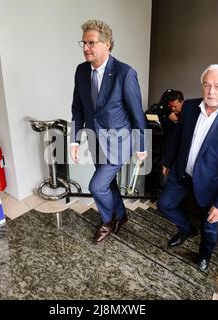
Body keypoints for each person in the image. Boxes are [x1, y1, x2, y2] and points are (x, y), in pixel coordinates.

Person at [157, 64, 218, 271]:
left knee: (209, 227)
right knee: (164, 204)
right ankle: (186, 229)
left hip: (211, 184)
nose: (211, 91)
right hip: (182, 172)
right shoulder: (190, 107)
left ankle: (204, 255)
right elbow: (177, 137)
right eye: (207, 85)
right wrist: (168, 161)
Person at [70, 20, 147, 243]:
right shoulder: (81, 71)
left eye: (91, 43)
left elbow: (136, 113)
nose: (86, 48)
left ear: (107, 45)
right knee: (108, 183)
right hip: (95, 140)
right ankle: (121, 216)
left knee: (96, 186)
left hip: (119, 142)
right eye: (83, 43)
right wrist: (75, 140)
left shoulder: (124, 73)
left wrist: (142, 145)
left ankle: (108, 220)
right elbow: (78, 107)